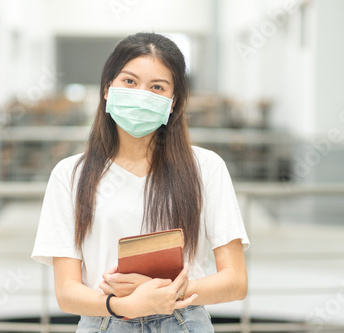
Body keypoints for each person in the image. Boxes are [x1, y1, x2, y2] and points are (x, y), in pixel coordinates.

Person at [31, 32, 250, 332]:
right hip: (105, 322)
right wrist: (124, 305)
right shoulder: (70, 175)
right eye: (130, 82)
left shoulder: (206, 167)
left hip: (183, 321)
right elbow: (67, 292)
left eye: (157, 87)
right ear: (108, 88)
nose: (141, 94)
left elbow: (235, 281)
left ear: (173, 103)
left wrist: (164, 293)